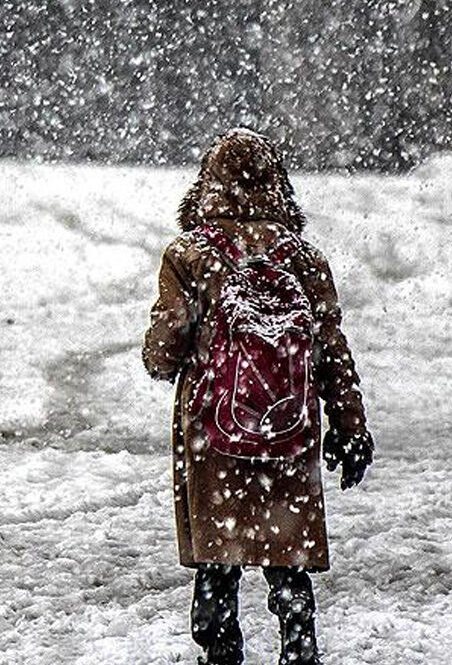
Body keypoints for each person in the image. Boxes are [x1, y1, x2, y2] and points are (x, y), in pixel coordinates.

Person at [142, 128, 373, 665]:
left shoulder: (189, 256)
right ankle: (298, 647)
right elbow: (331, 350)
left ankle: (219, 650)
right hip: (288, 433)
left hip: (213, 432)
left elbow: (164, 351)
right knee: (285, 555)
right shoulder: (304, 259)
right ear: (278, 185)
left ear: (206, 185)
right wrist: (350, 426)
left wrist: (168, 352)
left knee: (217, 559)